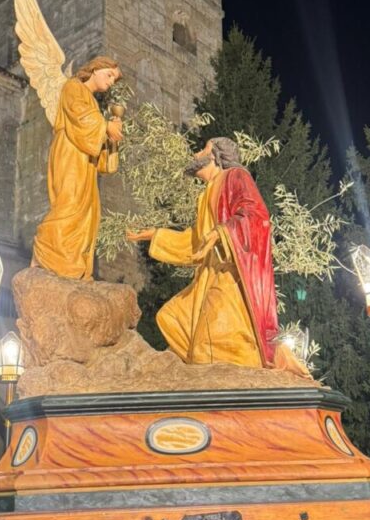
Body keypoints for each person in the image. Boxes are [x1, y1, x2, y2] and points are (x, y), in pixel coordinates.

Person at [128, 137, 310, 375]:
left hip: (230, 275)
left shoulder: (236, 176)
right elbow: (196, 242)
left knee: (213, 342)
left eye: (203, 148)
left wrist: (221, 232)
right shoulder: (206, 195)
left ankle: (239, 383)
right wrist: (157, 236)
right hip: (208, 276)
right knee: (172, 317)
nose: (196, 153)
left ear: (215, 155)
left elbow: (256, 216)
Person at [32, 57, 123, 280]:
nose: (112, 82)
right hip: (70, 154)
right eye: (109, 75)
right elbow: (79, 116)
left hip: (85, 162)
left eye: (115, 79)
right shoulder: (73, 87)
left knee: (87, 213)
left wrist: (111, 139)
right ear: (95, 69)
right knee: (69, 207)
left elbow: (95, 138)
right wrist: (105, 126)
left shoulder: (92, 101)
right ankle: (43, 255)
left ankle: (74, 266)